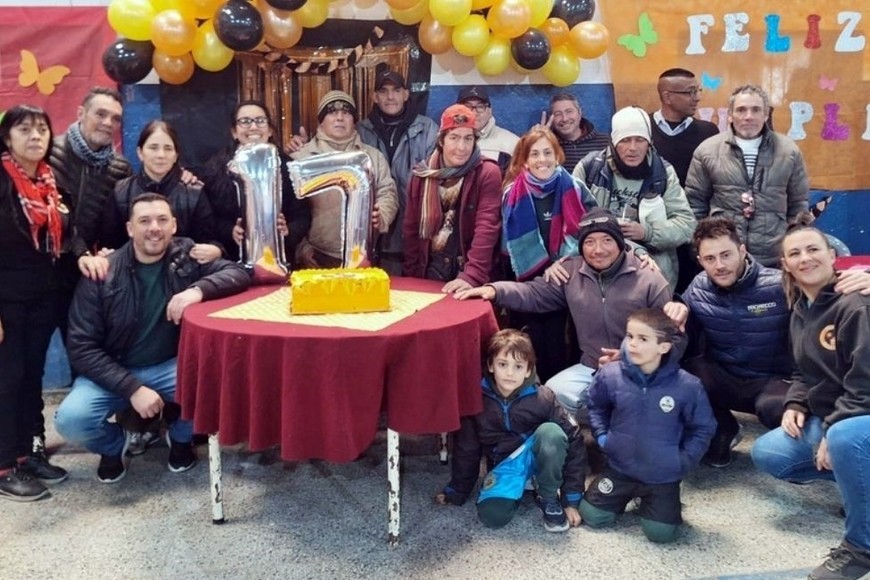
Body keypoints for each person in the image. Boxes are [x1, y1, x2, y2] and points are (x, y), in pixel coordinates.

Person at [54, 193, 250, 483]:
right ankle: (112, 446)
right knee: (71, 420)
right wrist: (132, 388)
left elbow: (237, 273)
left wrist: (196, 291)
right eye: (144, 221)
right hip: (114, 371)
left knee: (222, 388)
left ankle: (181, 438)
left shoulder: (188, 256)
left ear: (174, 225)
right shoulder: (103, 271)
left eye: (161, 220)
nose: (154, 228)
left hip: (170, 366)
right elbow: (81, 348)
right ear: (130, 228)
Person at [676, 216, 870, 469]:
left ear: (742, 251)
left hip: (774, 381)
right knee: (683, 376)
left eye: (726, 255)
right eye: (710, 259)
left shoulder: (780, 285)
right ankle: (723, 431)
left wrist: (867, 278)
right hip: (729, 376)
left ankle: (835, 453)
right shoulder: (699, 287)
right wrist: (675, 305)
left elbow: (825, 286)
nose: (720, 265)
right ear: (700, 261)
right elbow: (679, 324)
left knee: (777, 412)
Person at [456, 208, 672, 415]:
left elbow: (673, 338)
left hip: (641, 368)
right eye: (589, 242)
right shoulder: (571, 272)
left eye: (607, 240)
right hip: (591, 367)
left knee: (634, 406)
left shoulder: (649, 278)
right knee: (553, 393)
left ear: (620, 243)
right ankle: (582, 440)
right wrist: (494, 290)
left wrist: (631, 358)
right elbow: (533, 293)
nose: (598, 249)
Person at [751, 216, 870, 580]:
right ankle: (860, 488)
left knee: (846, 439)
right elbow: (803, 372)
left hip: (858, 415)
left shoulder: (856, 304)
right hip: (839, 415)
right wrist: (796, 403)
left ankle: (860, 548)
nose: (805, 258)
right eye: (795, 253)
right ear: (785, 265)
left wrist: (833, 430)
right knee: (768, 451)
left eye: (813, 249)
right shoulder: (801, 309)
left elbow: (865, 384)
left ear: (833, 256)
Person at [580, 308, 716, 543]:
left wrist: (683, 460)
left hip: (662, 476)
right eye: (629, 336)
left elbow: (703, 427)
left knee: (661, 534)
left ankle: (656, 501)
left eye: (643, 339)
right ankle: (626, 497)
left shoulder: (687, 386)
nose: (632, 344)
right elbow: (596, 406)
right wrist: (603, 437)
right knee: (592, 516)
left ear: (663, 347)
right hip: (620, 469)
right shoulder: (610, 375)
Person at [435, 329, 586, 533]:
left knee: (552, 433)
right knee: (492, 517)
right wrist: (457, 491)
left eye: (518, 366)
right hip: (506, 465)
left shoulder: (544, 398)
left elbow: (574, 438)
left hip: (537, 458)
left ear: (528, 370)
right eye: (502, 364)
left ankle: (548, 494)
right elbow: (466, 449)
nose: (509, 373)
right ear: (490, 365)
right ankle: (516, 488)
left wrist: (572, 499)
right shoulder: (476, 400)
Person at [0, 105, 77, 501]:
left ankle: (27, 454)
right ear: (8, 138)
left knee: (32, 378)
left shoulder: (49, 181)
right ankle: (3, 465)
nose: (35, 136)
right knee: (6, 379)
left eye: (42, 129)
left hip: (41, 296)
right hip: (6, 300)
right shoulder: (3, 181)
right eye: (24, 129)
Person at [501, 126, 597, 381]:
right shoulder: (512, 194)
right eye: (534, 154)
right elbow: (507, 246)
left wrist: (563, 264)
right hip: (530, 283)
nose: (541, 160)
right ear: (524, 160)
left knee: (568, 346)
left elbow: (593, 231)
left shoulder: (575, 187)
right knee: (535, 347)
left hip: (572, 278)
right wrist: (544, 268)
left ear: (557, 155)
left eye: (547, 152)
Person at [684, 84, 809, 268]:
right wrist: (700, 249)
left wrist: (794, 249)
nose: (748, 116)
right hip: (724, 259)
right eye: (741, 110)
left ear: (766, 114)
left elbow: (798, 206)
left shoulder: (788, 151)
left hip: (773, 259)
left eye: (756, 110)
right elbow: (694, 205)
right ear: (731, 115)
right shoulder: (707, 151)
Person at [574, 106, 696, 290]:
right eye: (625, 140)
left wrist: (647, 232)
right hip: (599, 276)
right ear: (613, 142)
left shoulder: (663, 173)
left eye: (640, 140)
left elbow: (687, 225)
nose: (632, 148)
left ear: (649, 143)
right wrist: (604, 230)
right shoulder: (590, 168)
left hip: (652, 276)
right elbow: (570, 222)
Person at [49, 88, 131, 335]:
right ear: (81, 113)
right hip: (38, 267)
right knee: (24, 360)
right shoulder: (47, 154)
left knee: (81, 346)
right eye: (101, 114)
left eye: (115, 118)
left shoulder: (120, 169)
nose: (108, 123)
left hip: (83, 271)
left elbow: (122, 221)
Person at [291, 90, 398, 268]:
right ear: (321, 120)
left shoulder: (372, 157)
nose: (340, 118)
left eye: (346, 113)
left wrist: (382, 215)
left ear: (354, 120)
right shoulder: (301, 158)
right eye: (332, 112)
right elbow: (291, 211)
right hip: (315, 257)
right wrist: (301, 248)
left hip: (362, 256)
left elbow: (388, 192)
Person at [403, 103, 502, 292]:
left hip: (469, 274)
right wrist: (413, 279)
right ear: (441, 140)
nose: (461, 147)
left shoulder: (488, 172)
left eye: (468, 138)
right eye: (454, 138)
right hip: (429, 272)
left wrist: (472, 276)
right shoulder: (421, 176)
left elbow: (487, 228)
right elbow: (411, 233)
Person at [200, 101, 310, 264]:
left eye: (260, 120)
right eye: (245, 121)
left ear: (270, 130)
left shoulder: (289, 168)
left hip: (279, 262)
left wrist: (289, 230)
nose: (253, 127)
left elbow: (303, 215)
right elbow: (207, 218)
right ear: (234, 132)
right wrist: (230, 231)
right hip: (230, 263)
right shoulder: (215, 169)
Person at [99, 120, 222, 259]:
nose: (161, 155)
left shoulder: (194, 192)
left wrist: (215, 250)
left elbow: (210, 241)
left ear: (175, 156)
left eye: (168, 148)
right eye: (153, 147)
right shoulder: (120, 192)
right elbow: (109, 244)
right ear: (140, 153)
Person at [356, 69, 438, 275]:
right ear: (374, 97)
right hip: (373, 234)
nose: (390, 97)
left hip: (416, 231)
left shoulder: (427, 129)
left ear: (406, 94)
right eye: (383, 91)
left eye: (396, 90)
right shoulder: (359, 131)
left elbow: (437, 180)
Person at [651, 68, 720, 292]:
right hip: (655, 232)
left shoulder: (708, 132)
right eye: (690, 92)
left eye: (698, 90)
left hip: (696, 230)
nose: (697, 97)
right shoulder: (643, 131)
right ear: (667, 96)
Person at [456, 85, 518, 175]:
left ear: (489, 111)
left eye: (480, 107)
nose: (474, 113)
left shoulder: (511, 143)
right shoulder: (446, 141)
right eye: (467, 107)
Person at [544, 92, 610, 173]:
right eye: (558, 114)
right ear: (551, 118)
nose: (564, 119)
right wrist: (538, 140)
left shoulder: (606, 142)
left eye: (569, 111)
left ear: (579, 113)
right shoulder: (548, 145)